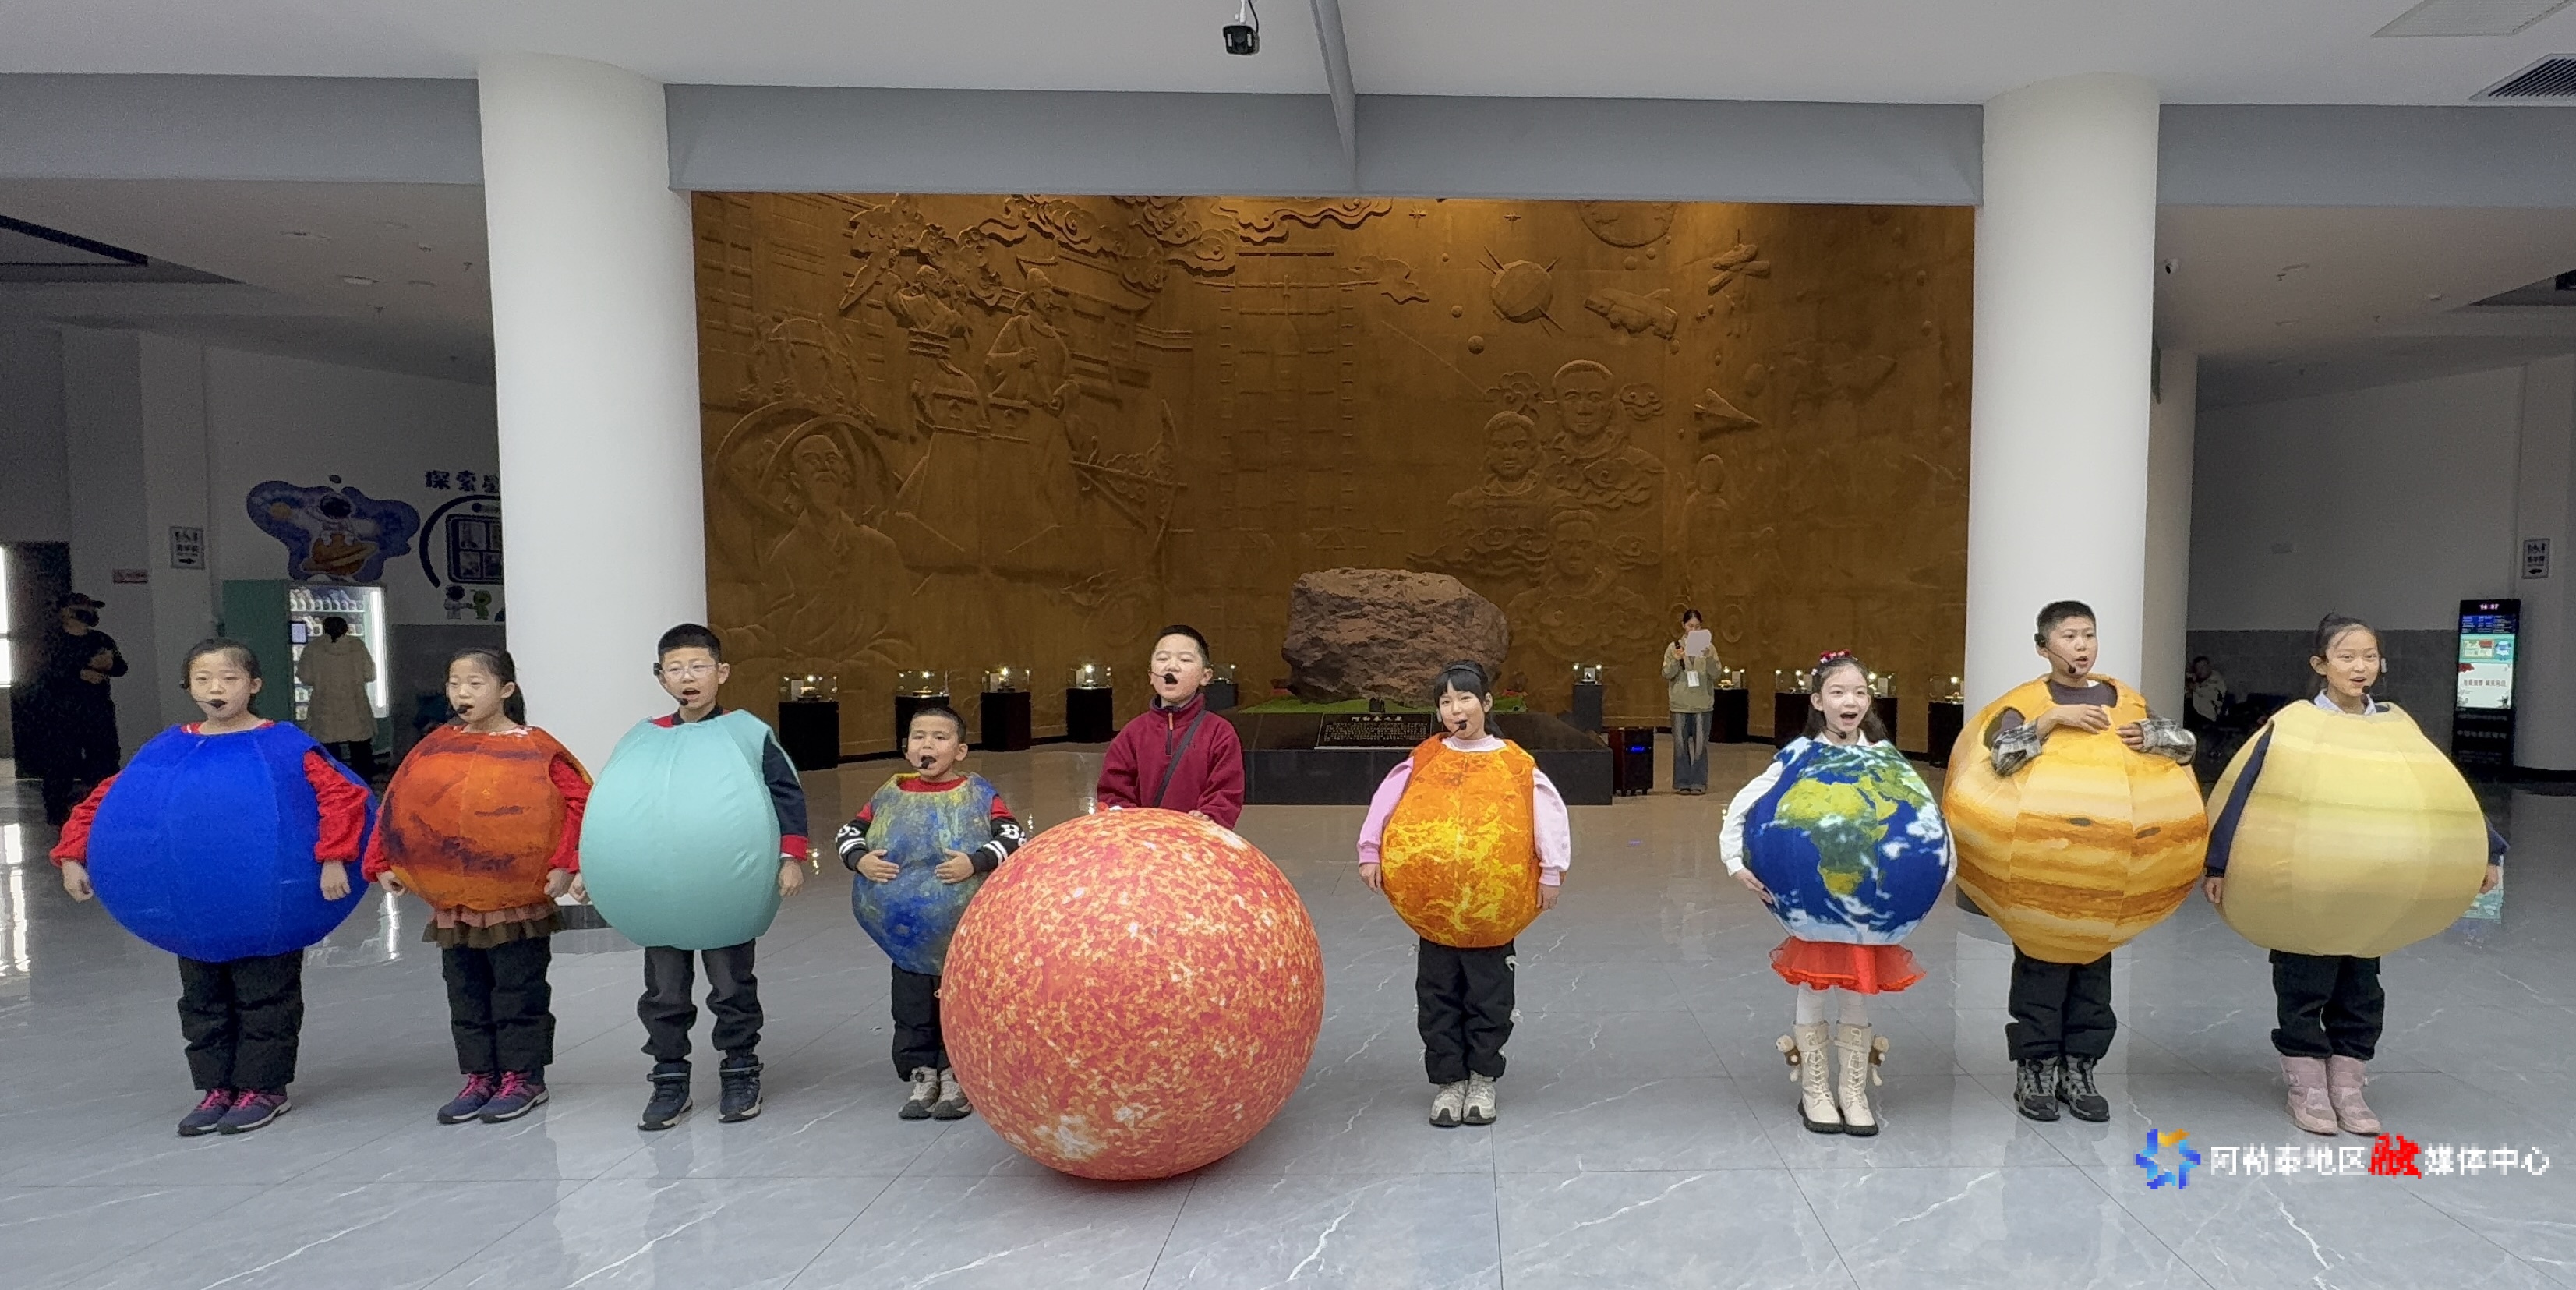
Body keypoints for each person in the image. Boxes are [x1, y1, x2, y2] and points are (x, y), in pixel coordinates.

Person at [50, 639, 370, 1136]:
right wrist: (72, 854)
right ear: (189, 686)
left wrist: (334, 857)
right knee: (202, 1001)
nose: (215, 688)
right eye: (203, 679)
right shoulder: (168, 749)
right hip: (195, 910)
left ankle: (264, 1087)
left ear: (254, 685)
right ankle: (217, 1086)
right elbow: (109, 800)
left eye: (228, 678)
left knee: (266, 997)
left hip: (269, 905)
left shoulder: (285, 745)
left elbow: (342, 798)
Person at [2202, 615, 2504, 1136]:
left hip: (2368, 898)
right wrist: (2219, 862)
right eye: (2346, 657)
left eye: (2368, 656)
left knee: (2362, 992)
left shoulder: (2395, 727)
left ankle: (2347, 1084)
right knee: (2303, 986)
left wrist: (2486, 850)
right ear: (2320, 664)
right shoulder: (2292, 725)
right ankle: (2306, 1085)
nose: (2359, 667)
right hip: (2300, 891)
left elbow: (2443, 792)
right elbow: (2243, 791)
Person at [1977, 601, 2198, 1123]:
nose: (2081, 646)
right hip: (2041, 878)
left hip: (2106, 881)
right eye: (2069, 636)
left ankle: (2079, 1069)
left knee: (2093, 984)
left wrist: (2155, 737)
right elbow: (1999, 757)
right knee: (2040, 978)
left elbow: (2186, 746)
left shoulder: (2125, 700)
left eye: (2089, 635)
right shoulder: (2025, 703)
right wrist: (2050, 721)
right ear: (2043, 647)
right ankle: (2035, 1070)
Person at [1723, 652, 1952, 1136]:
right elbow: (1745, 803)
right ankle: (1815, 1089)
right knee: (1813, 986)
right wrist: (1734, 861)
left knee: (1857, 993)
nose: (1851, 701)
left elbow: (1926, 812)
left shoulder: (1885, 758)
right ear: (1817, 701)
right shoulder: (1798, 755)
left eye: (1860, 693)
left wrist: (1939, 866)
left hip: (1867, 907)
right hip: (1816, 904)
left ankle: (1853, 1089)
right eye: (1839, 692)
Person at [364, 649, 589, 1125]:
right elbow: (398, 804)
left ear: (506, 690)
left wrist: (567, 864)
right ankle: (480, 1075)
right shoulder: (433, 747)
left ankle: (523, 1077)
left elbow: (580, 804)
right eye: (454, 684)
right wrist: (381, 861)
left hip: (516, 900)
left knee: (518, 990)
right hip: (456, 903)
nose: (461, 694)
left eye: (475, 684)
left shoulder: (537, 748)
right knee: (465, 992)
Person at [1358, 660, 1571, 1128]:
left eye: (1465, 698)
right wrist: (1370, 850)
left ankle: (1482, 1078)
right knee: (1437, 997)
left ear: (1486, 703)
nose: (1456, 709)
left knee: (1489, 997)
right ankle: (1449, 1081)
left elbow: (1547, 816)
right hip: (1434, 912)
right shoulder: (1425, 758)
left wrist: (1551, 871)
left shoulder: (1515, 763)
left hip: (1493, 912)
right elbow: (1386, 802)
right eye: (1446, 701)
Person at [634, 624, 811, 1129]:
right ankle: (669, 1077)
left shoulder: (747, 733)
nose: (687, 677)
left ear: (722, 672)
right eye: (675, 669)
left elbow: (785, 794)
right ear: (660, 676)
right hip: (664, 886)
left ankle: (740, 1069)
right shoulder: (649, 738)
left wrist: (790, 856)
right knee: (665, 990)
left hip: (728, 884)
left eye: (698, 666)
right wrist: (600, 868)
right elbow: (623, 806)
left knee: (731, 984)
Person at [836, 705, 1026, 1120]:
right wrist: (860, 859)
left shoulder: (979, 794)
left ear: (960, 750)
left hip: (961, 935)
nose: (928, 745)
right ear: (906, 748)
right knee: (911, 1003)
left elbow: (1014, 836)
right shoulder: (888, 795)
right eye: (919, 737)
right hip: (906, 939)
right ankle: (921, 1071)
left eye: (940, 737)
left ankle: (958, 1070)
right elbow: (849, 832)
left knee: (959, 1003)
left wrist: (975, 861)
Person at [1094, 624, 1245, 828]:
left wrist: (1208, 817)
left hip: (1196, 838)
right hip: (1143, 839)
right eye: (1163, 658)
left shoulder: (1220, 733)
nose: (1171, 667)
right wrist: (1134, 821)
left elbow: (1226, 792)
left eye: (1185, 660)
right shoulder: (1132, 733)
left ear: (1206, 676)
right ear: (1151, 675)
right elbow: (1113, 792)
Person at [30, 592, 126, 825]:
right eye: (83, 609)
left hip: (98, 712)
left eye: (92, 609)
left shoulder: (101, 639)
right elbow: (43, 674)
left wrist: (109, 664)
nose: (89, 614)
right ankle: (57, 813)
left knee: (104, 760)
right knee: (60, 762)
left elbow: (121, 668)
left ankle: (104, 810)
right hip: (62, 713)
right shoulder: (51, 641)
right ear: (66, 612)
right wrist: (79, 674)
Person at [298, 614, 378, 779]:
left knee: (329, 747)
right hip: (355, 703)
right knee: (360, 746)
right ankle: (362, 780)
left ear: (324, 629)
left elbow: (305, 677)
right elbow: (369, 674)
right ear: (346, 629)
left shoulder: (314, 648)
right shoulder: (357, 646)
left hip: (325, 705)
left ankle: (335, 780)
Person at [1663, 608, 1719, 794]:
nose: (1694, 630)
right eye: (1690, 626)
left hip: (1702, 703)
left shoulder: (1709, 648)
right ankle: (1682, 782)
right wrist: (1676, 660)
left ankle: (1698, 782)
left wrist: (1709, 658)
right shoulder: (1674, 647)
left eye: (1697, 626)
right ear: (1684, 626)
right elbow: (1666, 673)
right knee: (1680, 745)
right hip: (1680, 703)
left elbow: (1716, 673)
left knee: (1700, 746)